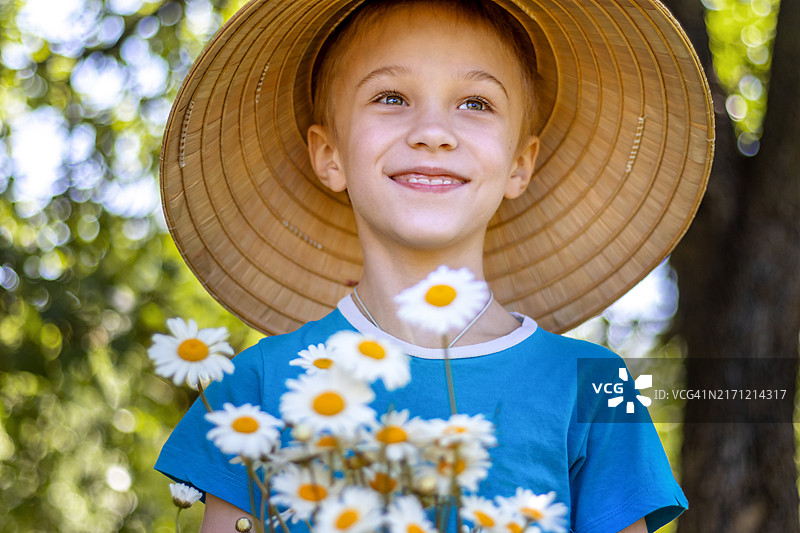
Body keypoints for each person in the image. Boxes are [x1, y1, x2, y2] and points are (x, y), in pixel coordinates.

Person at [155, 0, 714, 531]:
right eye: (391, 97)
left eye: (476, 103)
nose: (432, 133)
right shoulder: (255, 388)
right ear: (329, 155)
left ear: (520, 165)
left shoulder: (591, 389)